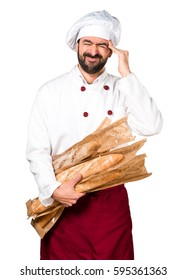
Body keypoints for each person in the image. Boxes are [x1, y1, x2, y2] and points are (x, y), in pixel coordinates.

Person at [26, 10, 163, 260]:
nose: (93, 50)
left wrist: (127, 74)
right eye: (87, 42)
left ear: (111, 51)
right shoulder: (50, 92)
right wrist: (53, 189)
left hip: (111, 204)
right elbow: (37, 151)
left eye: (102, 45)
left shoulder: (124, 89)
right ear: (77, 45)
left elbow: (152, 125)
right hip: (65, 201)